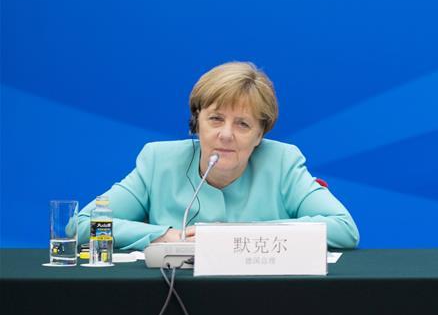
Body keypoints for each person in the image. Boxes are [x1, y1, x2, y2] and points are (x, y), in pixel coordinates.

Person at [77, 62, 360, 251]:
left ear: (260, 135)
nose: (226, 135)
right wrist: (164, 236)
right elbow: (81, 225)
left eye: (243, 124)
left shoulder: (283, 162)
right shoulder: (158, 161)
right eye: (215, 119)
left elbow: (344, 229)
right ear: (196, 122)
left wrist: (235, 234)